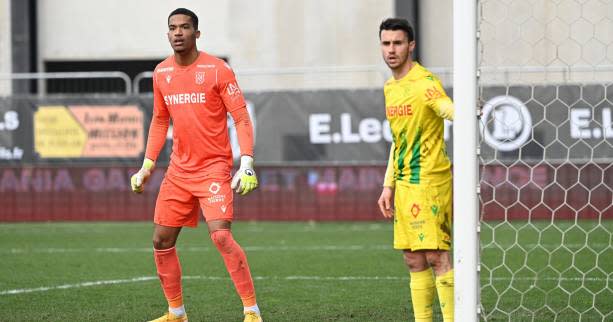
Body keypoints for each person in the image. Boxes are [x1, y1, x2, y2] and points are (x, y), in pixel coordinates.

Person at [130, 8, 262, 322]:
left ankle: (252, 311)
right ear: (168, 34)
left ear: (196, 34)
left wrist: (246, 163)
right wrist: (147, 166)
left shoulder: (218, 70)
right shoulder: (161, 73)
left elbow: (241, 118)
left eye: (185, 27)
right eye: (173, 28)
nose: (178, 33)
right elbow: (160, 121)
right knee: (161, 240)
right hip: (178, 172)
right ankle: (176, 313)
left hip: (213, 169)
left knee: (220, 236)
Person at [376, 18, 455, 322]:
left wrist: (464, 111)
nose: (391, 50)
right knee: (412, 259)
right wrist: (388, 185)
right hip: (404, 184)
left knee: (437, 256)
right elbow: (398, 141)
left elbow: (446, 108)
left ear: (411, 46)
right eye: (386, 43)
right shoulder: (390, 88)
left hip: (431, 181)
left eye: (397, 43)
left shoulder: (425, 82)